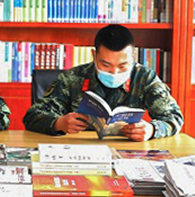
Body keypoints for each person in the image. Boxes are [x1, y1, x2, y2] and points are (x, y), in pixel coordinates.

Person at [23, 24, 183, 141]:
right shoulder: (72, 78)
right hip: (79, 150)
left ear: (133, 56)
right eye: (105, 65)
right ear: (94, 55)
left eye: (122, 66)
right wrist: (58, 123)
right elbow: (32, 116)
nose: (114, 72)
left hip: (128, 151)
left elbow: (174, 117)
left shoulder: (144, 78)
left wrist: (152, 129)